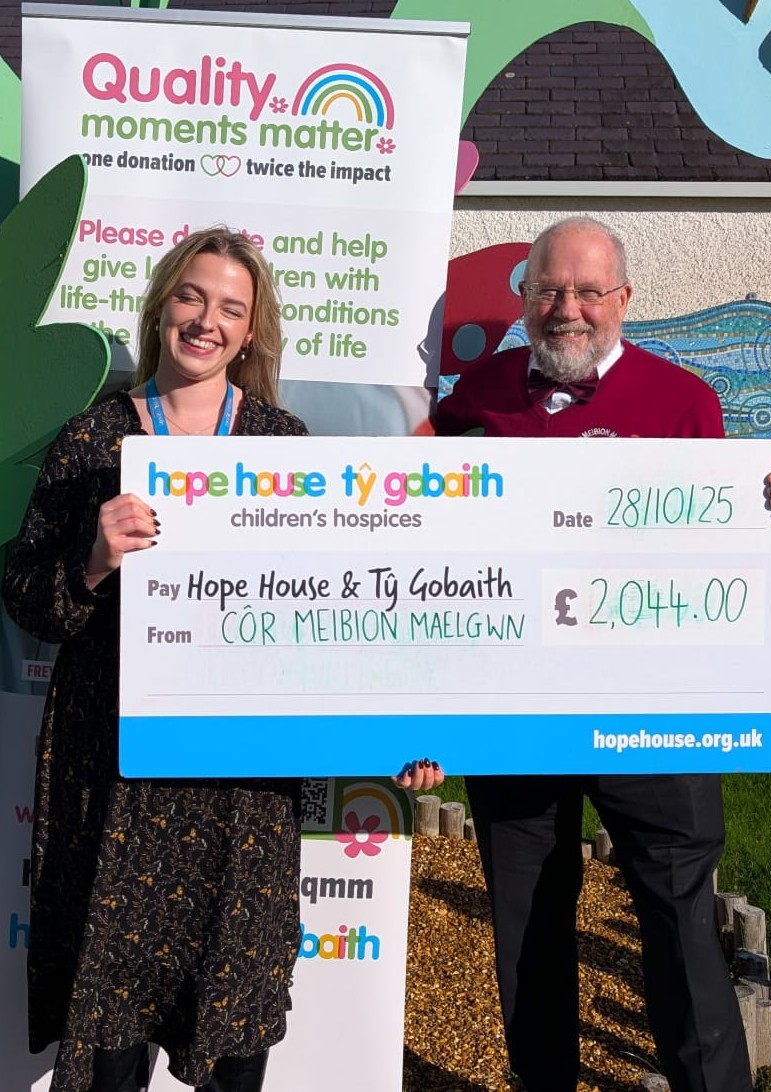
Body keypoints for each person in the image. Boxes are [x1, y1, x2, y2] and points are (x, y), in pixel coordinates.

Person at [2, 226, 441, 1092]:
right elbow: (26, 596)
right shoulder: (92, 440)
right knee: (109, 1046)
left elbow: (340, 614)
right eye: (192, 298)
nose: (206, 320)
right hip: (115, 778)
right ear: (162, 306)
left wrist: (401, 734)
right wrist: (93, 560)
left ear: (251, 332)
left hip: (241, 788)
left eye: (230, 308)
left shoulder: (284, 446)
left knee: (233, 1029)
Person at [434, 217, 771, 1092]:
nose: (566, 309)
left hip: (655, 703)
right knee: (527, 923)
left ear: (623, 302)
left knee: (680, 916)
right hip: (518, 704)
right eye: (547, 291)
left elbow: (719, 543)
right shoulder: (472, 398)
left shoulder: (684, 401)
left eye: (586, 292)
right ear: (524, 299)